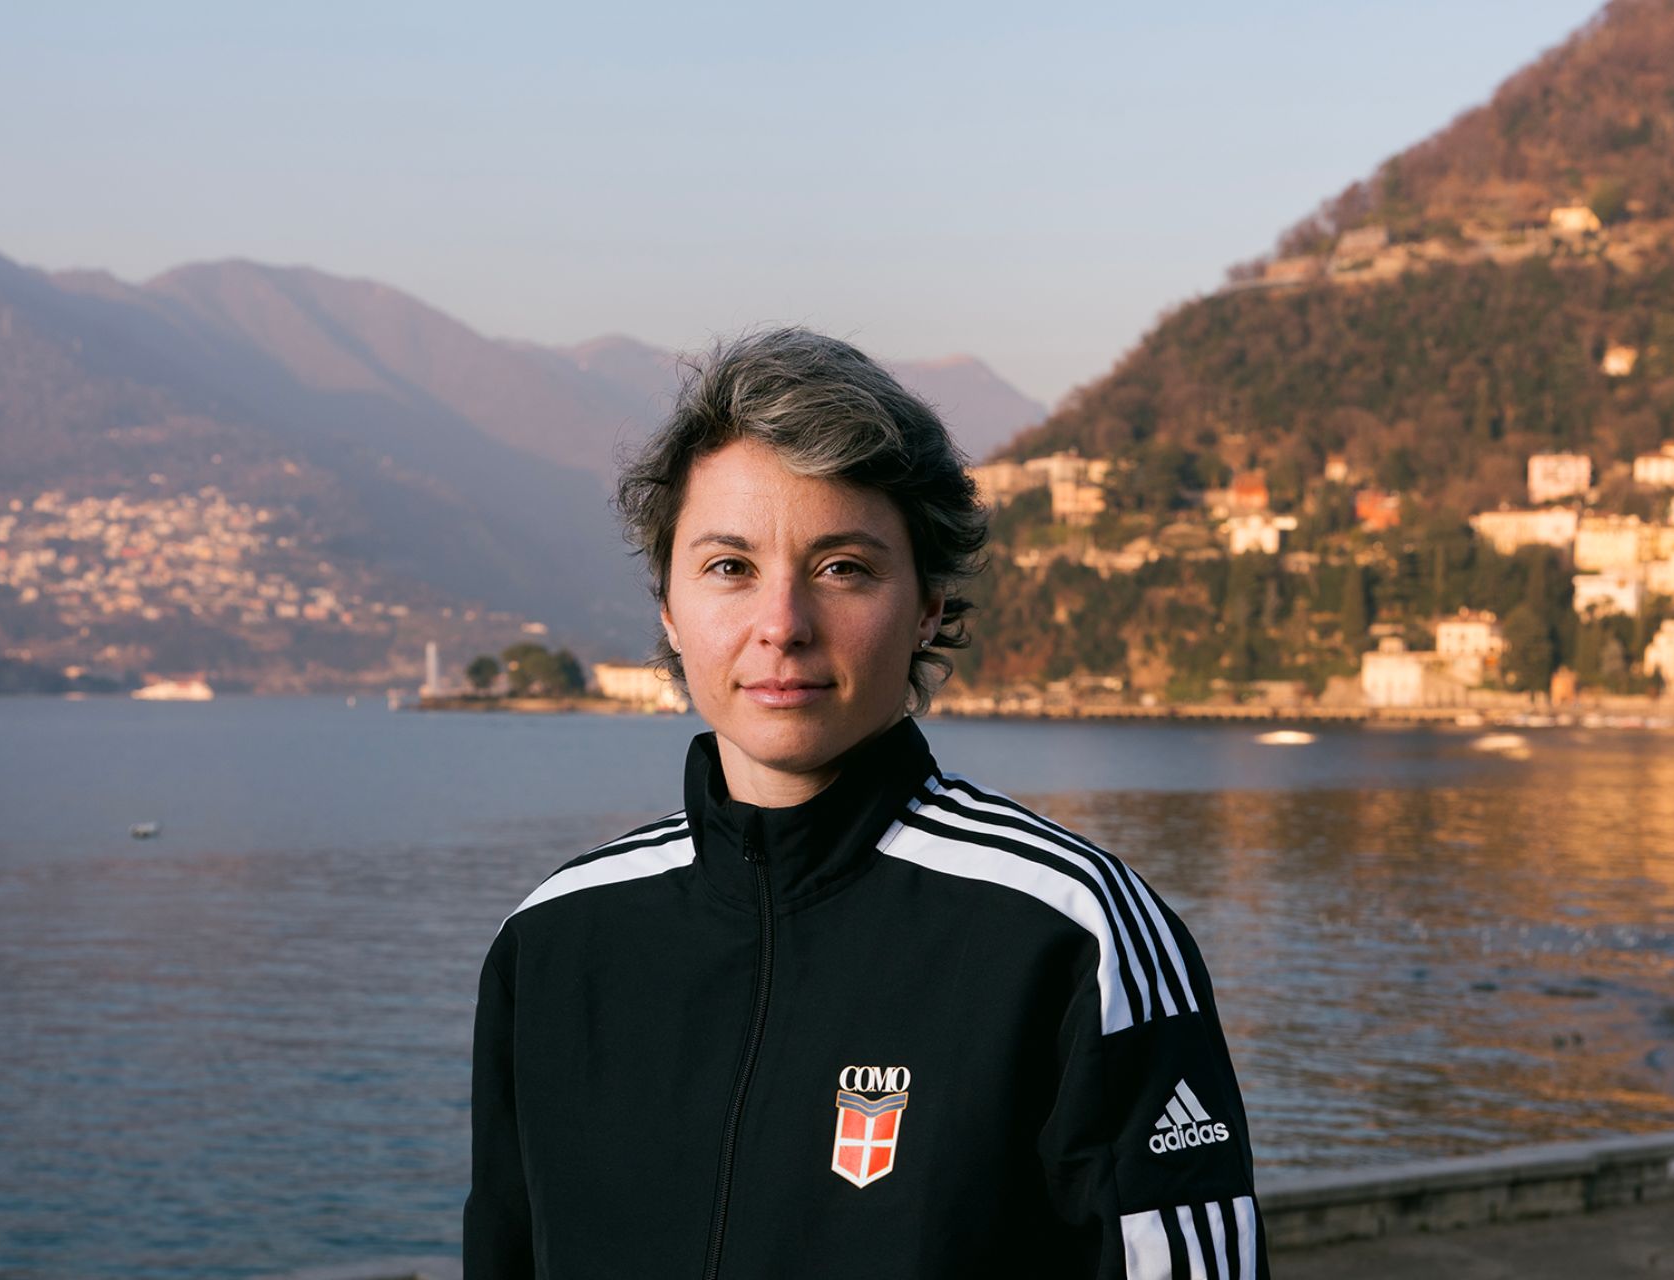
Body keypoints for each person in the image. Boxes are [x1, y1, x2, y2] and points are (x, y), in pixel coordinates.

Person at [464, 328, 1269, 1279]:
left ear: (928, 603)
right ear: (669, 610)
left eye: (843, 566)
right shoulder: (555, 942)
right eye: (730, 568)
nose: (782, 626)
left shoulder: (1071, 934)